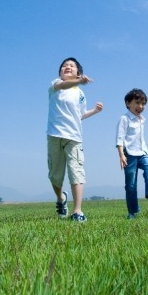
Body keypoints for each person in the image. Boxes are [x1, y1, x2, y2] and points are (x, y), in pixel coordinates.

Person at [47, 57, 103, 222]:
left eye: (71, 66)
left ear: (79, 71)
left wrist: (94, 111)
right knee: (55, 175)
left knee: (76, 172)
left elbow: (79, 115)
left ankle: (77, 211)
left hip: (74, 137)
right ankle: (61, 198)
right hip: (54, 135)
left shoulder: (80, 93)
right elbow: (63, 85)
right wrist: (79, 81)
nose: (67, 67)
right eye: (64, 65)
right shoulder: (56, 85)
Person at [116, 88, 148, 219]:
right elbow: (120, 138)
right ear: (128, 103)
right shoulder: (124, 119)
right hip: (129, 154)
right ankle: (133, 212)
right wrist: (121, 155)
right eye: (137, 102)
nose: (141, 106)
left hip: (143, 152)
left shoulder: (141, 119)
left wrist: (145, 150)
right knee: (131, 185)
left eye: (143, 104)